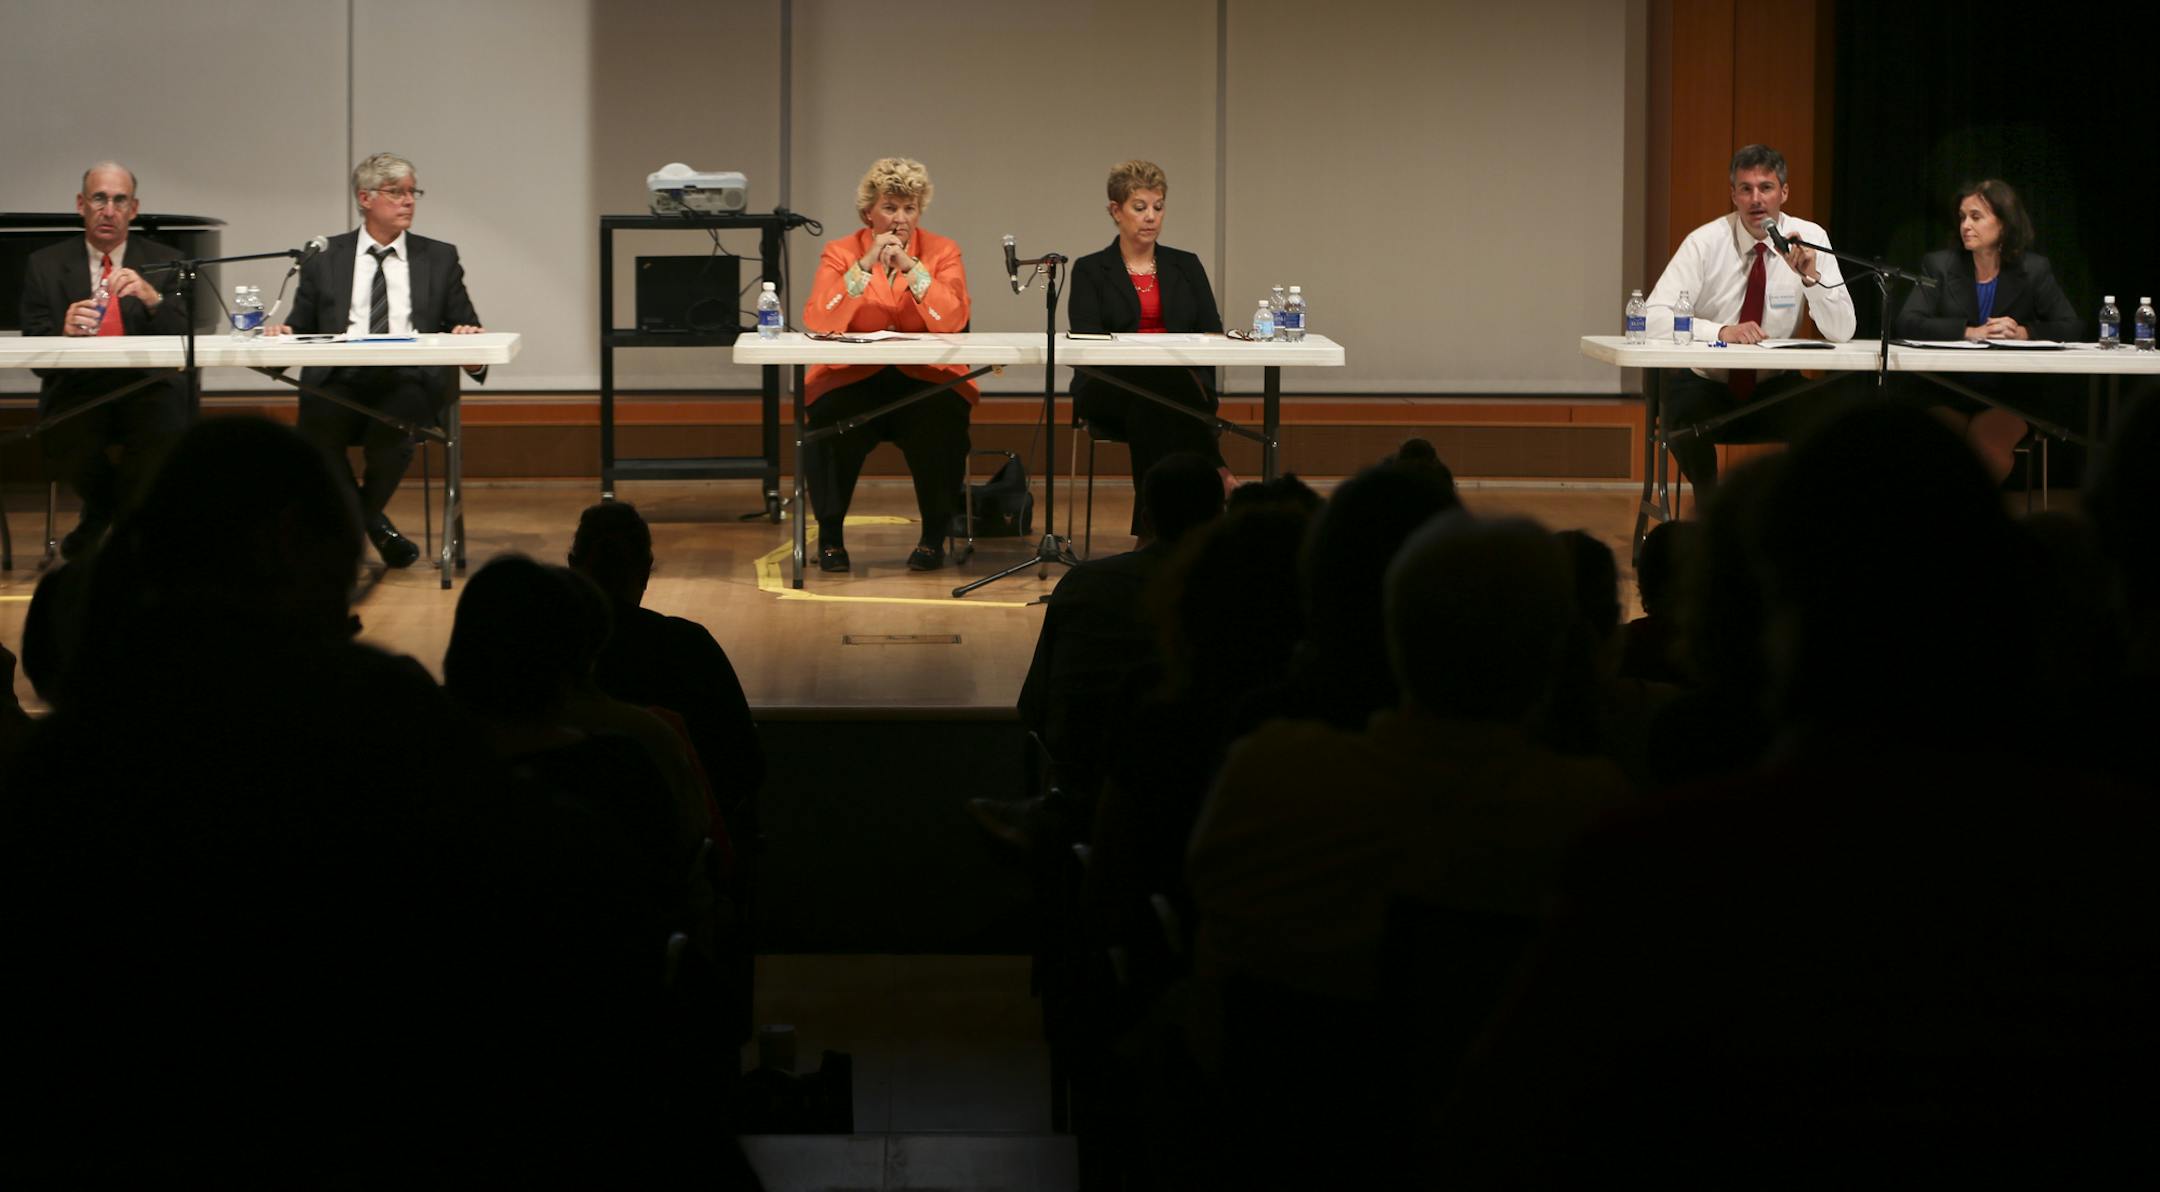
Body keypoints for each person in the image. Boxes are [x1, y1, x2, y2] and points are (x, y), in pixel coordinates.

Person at [272, 152, 487, 568]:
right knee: (316, 434)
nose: (407, 201)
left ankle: (345, 532)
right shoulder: (324, 256)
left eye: (412, 192)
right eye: (396, 192)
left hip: (407, 379)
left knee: (393, 434)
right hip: (338, 377)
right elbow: (301, 325)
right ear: (365, 198)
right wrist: (283, 333)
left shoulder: (439, 257)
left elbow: (466, 324)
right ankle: (374, 526)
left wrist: (468, 341)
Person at [1645, 143, 1856, 495]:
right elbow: (1652, 317)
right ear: (1734, 196)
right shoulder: (1705, 242)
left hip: (1773, 387)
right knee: (1678, 415)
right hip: (1708, 385)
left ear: (1784, 192)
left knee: (1830, 416)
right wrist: (1720, 331)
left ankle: (1796, 509)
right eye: (1746, 189)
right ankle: (1710, 510)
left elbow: (1842, 331)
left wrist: (1811, 279)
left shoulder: (1810, 238)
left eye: (1766, 188)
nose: (1756, 199)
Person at [801, 157, 973, 572]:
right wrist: (864, 266)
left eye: (910, 208)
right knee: (828, 421)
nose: (901, 219)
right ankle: (830, 537)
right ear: (868, 213)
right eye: (890, 207)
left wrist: (911, 268)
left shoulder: (943, 251)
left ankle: (933, 538)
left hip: (925, 378)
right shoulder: (840, 252)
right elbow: (820, 320)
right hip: (852, 379)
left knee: (943, 418)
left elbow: (953, 320)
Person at [16, 161, 188, 559]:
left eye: (119, 200)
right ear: (81, 204)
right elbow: (36, 354)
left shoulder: (167, 260)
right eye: (99, 199)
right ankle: (115, 518)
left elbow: (185, 336)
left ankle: (101, 521)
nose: (109, 210)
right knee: (68, 439)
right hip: (77, 385)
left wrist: (153, 299)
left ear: (134, 209)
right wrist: (62, 335)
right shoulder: (44, 264)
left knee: (164, 434)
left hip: (146, 384)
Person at [1067, 160, 1229, 531]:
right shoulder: (1090, 270)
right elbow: (1088, 343)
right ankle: (1217, 474)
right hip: (1109, 387)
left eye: (1158, 207)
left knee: (1151, 408)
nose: (1151, 217)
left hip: (1174, 389)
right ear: (1116, 211)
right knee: (1155, 394)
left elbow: (1212, 333)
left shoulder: (1185, 265)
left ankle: (1153, 529)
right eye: (1140, 207)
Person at [1891, 179, 2082, 482]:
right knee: (1934, 446)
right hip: (1950, 391)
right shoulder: (1940, 265)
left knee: (1984, 446)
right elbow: (1907, 322)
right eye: (1962, 217)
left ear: (2004, 224)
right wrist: (1969, 332)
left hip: (2010, 396)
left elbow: (2072, 326)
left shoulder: (2034, 269)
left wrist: (2024, 332)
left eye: (1976, 217)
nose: (1966, 225)